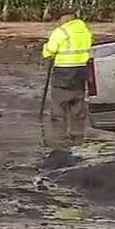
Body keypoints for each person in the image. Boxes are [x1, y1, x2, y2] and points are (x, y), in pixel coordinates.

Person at [41, 8, 93, 142]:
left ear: (63, 19)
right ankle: (77, 135)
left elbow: (49, 51)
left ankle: (59, 136)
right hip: (81, 70)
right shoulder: (84, 30)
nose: (57, 22)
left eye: (58, 19)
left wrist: (45, 47)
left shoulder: (61, 32)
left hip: (64, 71)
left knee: (59, 103)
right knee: (77, 101)